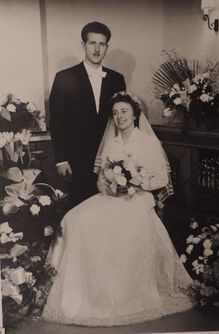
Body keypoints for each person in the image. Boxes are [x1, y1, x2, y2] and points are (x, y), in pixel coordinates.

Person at [42, 92, 194, 327]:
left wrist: (137, 183)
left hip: (139, 198)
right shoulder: (111, 143)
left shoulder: (148, 142)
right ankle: (82, 290)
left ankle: (117, 294)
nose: (119, 117)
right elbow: (101, 180)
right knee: (74, 219)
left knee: (111, 224)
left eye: (124, 111)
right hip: (112, 197)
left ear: (135, 114)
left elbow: (162, 179)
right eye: (115, 113)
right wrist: (110, 187)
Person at [49, 21, 126, 205]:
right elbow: (57, 121)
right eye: (92, 43)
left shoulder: (117, 79)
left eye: (102, 44)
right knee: (81, 211)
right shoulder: (64, 77)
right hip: (76, 161)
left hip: (110, 161)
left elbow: (122, 120)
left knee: (108, 211)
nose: (97, 49)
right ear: (83, 45)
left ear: (107, 46)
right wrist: (61, 160)